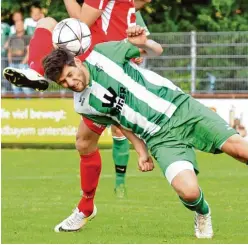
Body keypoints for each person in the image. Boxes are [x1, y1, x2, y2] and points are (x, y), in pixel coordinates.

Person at [42, 25, 248, 237]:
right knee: (189, 190)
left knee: (241, 149)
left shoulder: (105, 54)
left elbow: (153, 49)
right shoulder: (83, 103)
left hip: (182, 108)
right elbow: (115, 119)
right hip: (159, 138)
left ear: (76, 61)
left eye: (70, 76)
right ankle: (202, 213)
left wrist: (145, 42)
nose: (71, 84)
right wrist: (141, 150)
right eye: (64, 84)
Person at [4, 0, 154, 211]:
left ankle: (37, 71)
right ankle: (95, 202)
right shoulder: (129, 7)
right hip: (113, 67)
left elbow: (80, 23)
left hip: (98, 64)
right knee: (87, 141)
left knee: (48, 23)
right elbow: (144, 44)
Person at [6, 20, 32, 95]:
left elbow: (29, 52)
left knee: (25, 87)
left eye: (20, 25)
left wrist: (22, 63)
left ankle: (30, 105)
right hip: (13, 65)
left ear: (23, 26)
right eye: (17, 25)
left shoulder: (27, 37)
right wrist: (10, 63)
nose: (19, 26)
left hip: (24, 65)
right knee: (15, 87)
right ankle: (18, 105)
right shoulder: (12, 37)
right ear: (14, 27)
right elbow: (9, 51)